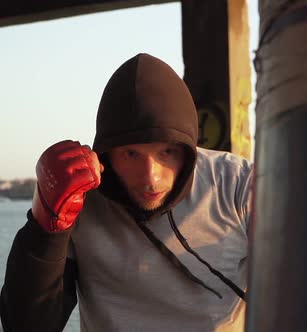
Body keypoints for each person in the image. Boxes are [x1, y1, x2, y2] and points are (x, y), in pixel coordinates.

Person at [0, 53, 253, 332]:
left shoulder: (236, 184)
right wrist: (45, 227)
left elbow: (302, 285)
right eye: (131, 154)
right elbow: (25, 327)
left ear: (187, 147)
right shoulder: (82, 198)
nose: (150, 178)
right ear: (107, 155)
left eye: (166, 152)